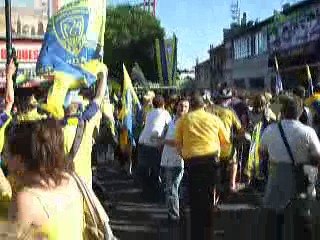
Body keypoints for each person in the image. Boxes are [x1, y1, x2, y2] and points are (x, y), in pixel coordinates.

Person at [7, 120, 84, 239]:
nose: (5, 160)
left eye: (7, 154)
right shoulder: (69, 180)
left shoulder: (26, 200)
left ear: (20, 160)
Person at [260, 96, 320, 240]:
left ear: (282, 112)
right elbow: (317, 156)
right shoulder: (308, 132)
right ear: (300, 113)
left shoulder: (270, 130)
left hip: (277, 179)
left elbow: (261, 153)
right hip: (302, 178)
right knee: (303, 217)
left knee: (275, 219)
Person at [175, 96, 230, 240]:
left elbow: (178, 143)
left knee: (194, 200)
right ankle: (209, 233)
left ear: (191, 106)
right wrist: (222, 157)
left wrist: (184, 156)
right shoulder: (214, 119)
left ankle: (195, 234)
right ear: (204, 106)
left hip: (192, 162)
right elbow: (225, 143)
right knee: (209, 197)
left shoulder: (183, 120)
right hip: (211, 161)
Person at [63, 71, 107, 188]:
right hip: (84, 182)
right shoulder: (86, 122)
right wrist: (103, 77)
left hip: (63, 183)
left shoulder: (54, 127)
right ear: (79, 107)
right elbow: (99, 98)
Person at [137, 95, 171, 201]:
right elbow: (170, 126)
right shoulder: (165, 113)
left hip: (143, 142)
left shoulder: (150, 112)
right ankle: (155, 195)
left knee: (145, 169)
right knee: (156, 169)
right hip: (154, 144)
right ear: (163, 104)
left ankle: (145, 192)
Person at [160, 98, 189, 222]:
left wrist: (164, 141)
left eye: (186, 106)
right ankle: (173, 214)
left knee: (172, 189)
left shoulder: (186, 123)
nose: (182, 108)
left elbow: (180, 142)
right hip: (167, 159)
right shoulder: (172, 121)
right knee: (171, 189)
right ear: (176, 106)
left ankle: (174, 217)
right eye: (181, 105)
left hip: (177, 161)